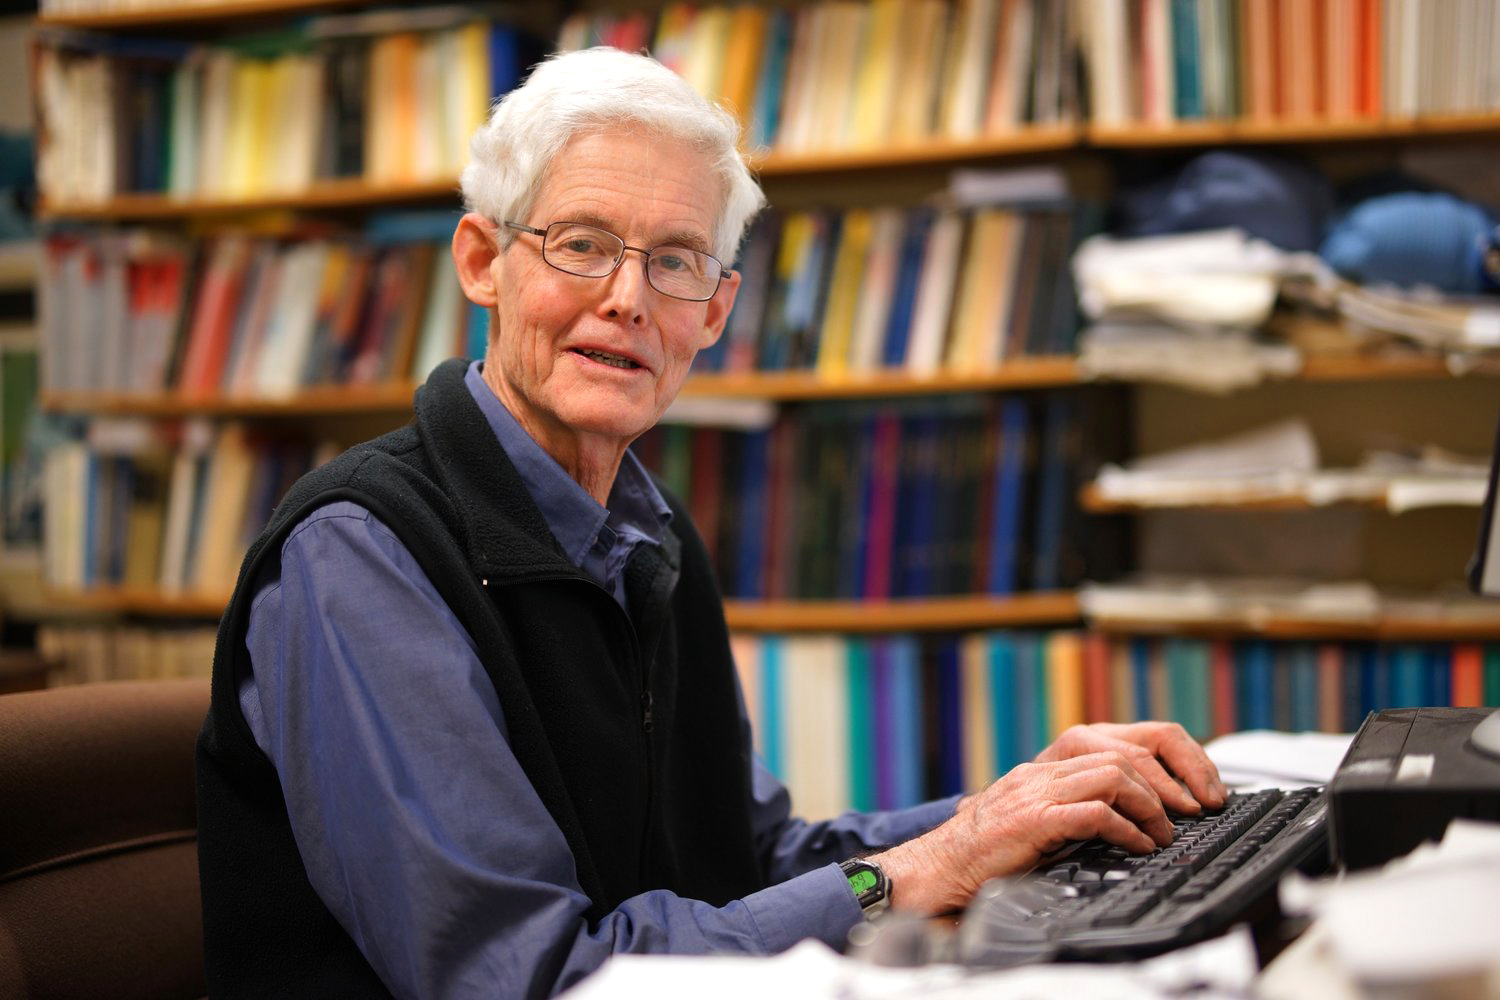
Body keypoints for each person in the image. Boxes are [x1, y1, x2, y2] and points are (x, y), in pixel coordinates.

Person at [195, 46, 1228, 1000]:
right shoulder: (362, 553)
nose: (629, 300)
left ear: (717, 312)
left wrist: (1013, 809)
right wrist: (922, 870)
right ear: (481, 262)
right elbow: (529, 974)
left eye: (676, 261)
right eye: (582, 245)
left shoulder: (649, 534)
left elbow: (753, 856)